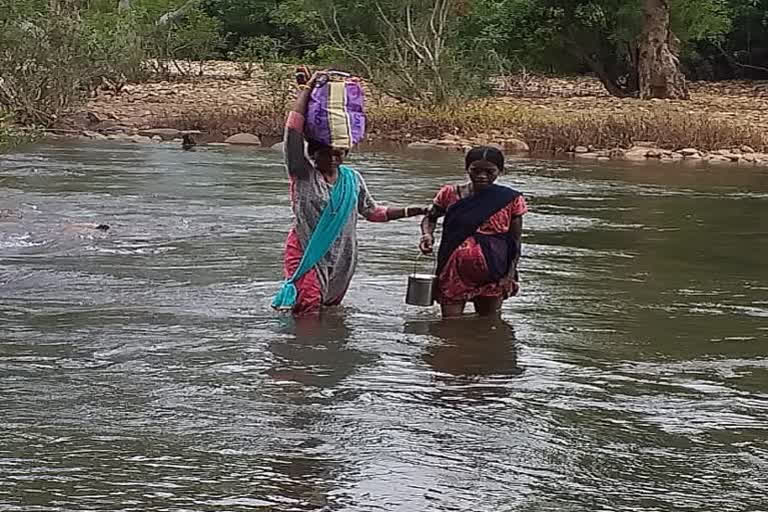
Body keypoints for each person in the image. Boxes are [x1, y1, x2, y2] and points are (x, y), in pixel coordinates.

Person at [275, 70, 427, 316]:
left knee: (330, 312)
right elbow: (292, 133)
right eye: (329, 153)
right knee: (307, 310)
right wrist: (306, 89)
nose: (336, 158)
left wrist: (415, 210)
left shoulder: (352, 179)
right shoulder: (303, 175)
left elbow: (373, 213)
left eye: (341, 152)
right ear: (313, 153)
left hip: (343, 259)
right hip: (308, 253)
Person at [419, 146, 528, 318]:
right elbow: (430, 217)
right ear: (467, 169)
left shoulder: (511, 199)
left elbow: (515, 241)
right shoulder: (449, 194)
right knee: (449, 325)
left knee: (489, 322)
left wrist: (509, 275)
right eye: (475, 171)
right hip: (453, 270)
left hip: (494, 270)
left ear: (500, 171)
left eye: (489, 171)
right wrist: (427, 235)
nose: (482, 176)